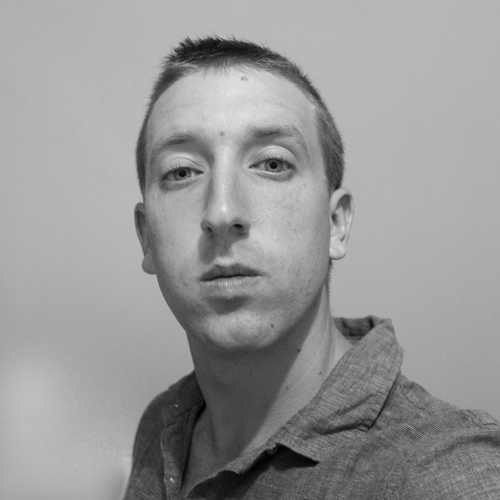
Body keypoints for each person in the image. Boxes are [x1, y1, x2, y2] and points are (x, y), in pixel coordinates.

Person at [124, 36, 500, 499]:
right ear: (147, 236)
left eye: (271, 163)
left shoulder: (446, 478)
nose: (221, 212)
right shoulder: (163, 426)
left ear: (335, 223)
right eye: (182, 171)